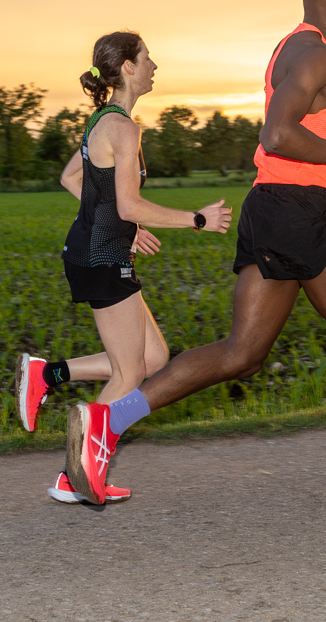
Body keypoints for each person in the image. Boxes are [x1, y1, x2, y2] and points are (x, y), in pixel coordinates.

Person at [60, 0, 326, 525]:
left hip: (269, 207)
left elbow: (300, 123)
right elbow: (277, 134)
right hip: (301, 210)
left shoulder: (301, 50)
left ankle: (107, 421)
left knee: (242, 354)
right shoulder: (314, 53)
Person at [14, 31, 232, 503]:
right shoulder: (125, 128)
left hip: (98, 253)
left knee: (152, 359)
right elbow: (130, 204)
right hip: (102, 259)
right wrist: (198, 219)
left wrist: (118, 225)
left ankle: (47, 376)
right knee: (129, 373)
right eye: (148, 58)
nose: (155, 65)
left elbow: (71, 177)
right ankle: (76, 475)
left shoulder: (103, 121)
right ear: (129, 68)